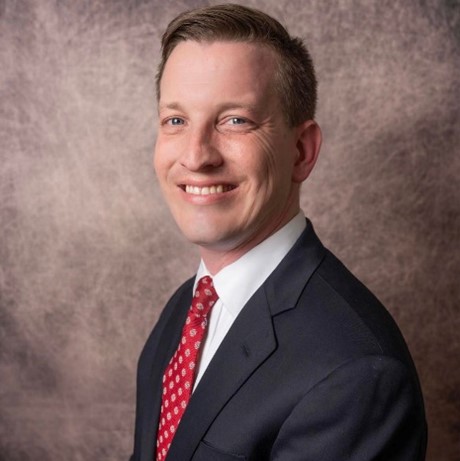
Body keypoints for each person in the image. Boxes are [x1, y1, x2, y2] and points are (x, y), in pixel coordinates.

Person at [130, 4, 427, 460]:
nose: (196, 155)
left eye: (235, 120)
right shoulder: (187, 311)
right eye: (176, 120)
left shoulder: (357, 373)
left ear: (302, 152)